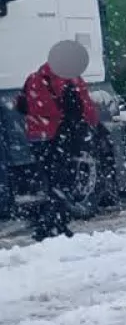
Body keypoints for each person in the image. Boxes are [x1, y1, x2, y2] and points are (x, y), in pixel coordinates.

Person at [15, 40, 100, 240]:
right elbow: (80, 109)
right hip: (60, 138)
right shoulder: (69, 80)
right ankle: (50, 226)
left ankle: (55, 224)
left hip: (37, 139)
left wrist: (38, 120)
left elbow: (21, 105)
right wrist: (89, 127)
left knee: (50, 181)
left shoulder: (33, 78)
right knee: (62, 183)